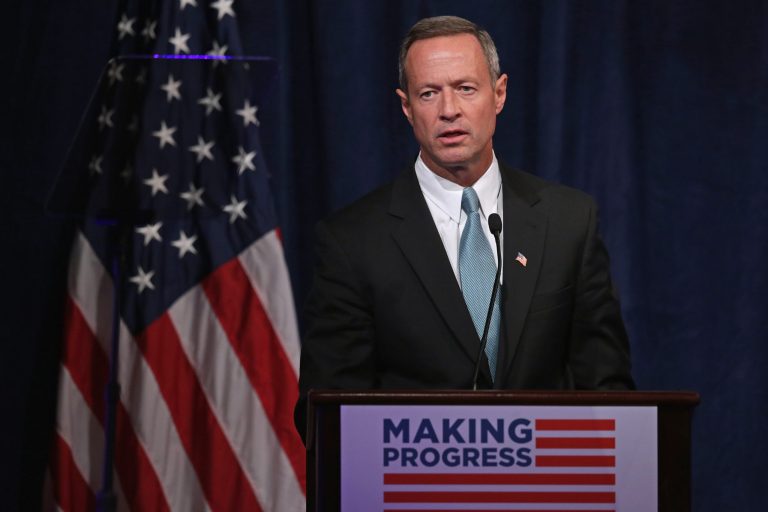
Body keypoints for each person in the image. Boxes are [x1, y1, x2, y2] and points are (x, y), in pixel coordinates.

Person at [294, 15, 634, 440]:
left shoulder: (569, 221)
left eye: (465, 88)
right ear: (406, 107)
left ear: (499, 93)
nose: (449, 110)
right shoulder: (352, 241)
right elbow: (327, 414)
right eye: (428, 93)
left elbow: (608, 391)